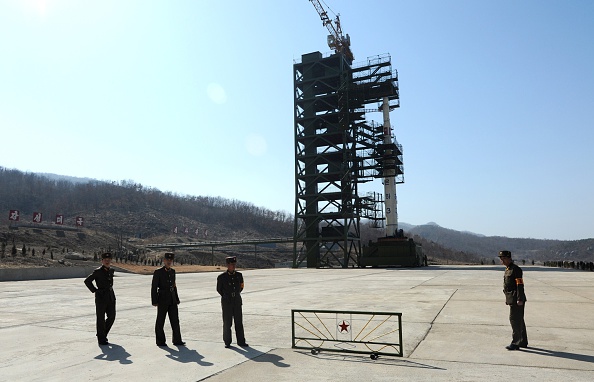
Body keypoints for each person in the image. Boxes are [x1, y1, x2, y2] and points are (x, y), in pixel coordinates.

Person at [151, 252, 185, 347]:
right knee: (160, 321)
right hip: (162, 298)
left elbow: (174, 286)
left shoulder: (172, 272)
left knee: (175, 320)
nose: (169, 262)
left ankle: (177, 340)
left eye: (170, 260)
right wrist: (154, 300)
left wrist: (177, 298)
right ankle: (160, 341)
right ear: (164, 261)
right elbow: (154, 287)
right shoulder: (158, 272)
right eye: (167, 260)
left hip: (172, 299)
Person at [84, 252, 116, 345]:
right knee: (100, 318)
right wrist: (95, 290)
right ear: (102, 261)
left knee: (112, 317)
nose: (107, 261)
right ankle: (101, 338)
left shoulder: (111, 270)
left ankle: (102, 334)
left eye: (109, 260)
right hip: (101, 297)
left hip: (110, 296)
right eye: (105, 260)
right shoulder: (97, 271)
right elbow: (87, 281)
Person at [498, 250, 528, 350]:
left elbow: (520, 285)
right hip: (512, 298)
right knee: (519, 320)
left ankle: (515, 343)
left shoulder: (516, 269)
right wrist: (508, 299)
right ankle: (522, 341)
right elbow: (507, 286)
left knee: (514, 320)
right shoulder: (508, 269)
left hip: (517, 299)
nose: (502, 261)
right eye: (501, 259)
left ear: (509, 258)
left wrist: (520, 299)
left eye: (504, 259)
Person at [217, 256, 248, 348]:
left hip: (237, 301)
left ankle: (241, 341)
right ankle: (227, 341)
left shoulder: (239, 275)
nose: (233, 266)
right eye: (231, 264)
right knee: (227, 322)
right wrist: (227, 296)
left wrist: (235, 294)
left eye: (234, 264)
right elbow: (219, 289)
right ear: (227, 265)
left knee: (239, 322)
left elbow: (241, 287)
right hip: (227, 302)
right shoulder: (222, 277)